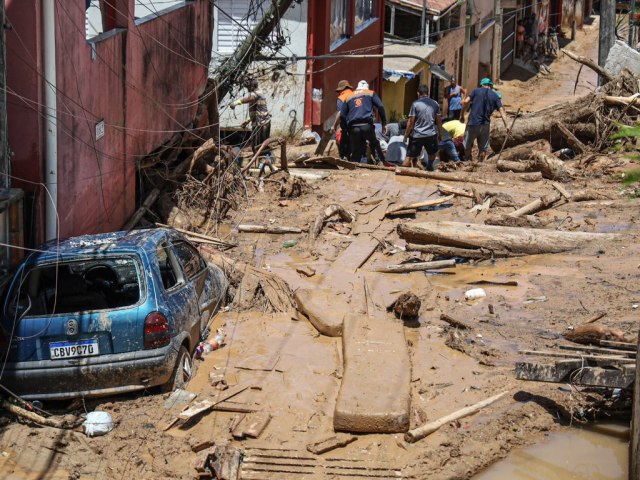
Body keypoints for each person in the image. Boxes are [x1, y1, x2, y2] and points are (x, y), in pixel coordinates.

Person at [460, 78, 510, 162]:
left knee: (467, 146)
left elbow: (465, 102)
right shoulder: (495, 96)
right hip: (485, 125)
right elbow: (502, 110)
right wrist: (507, 125)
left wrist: (461, 115)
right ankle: (480, 164)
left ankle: (468, 162)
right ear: (490, 86)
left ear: (482, 84)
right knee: (483, 148)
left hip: (472, 123)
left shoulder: (476, 91)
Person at [231, 78, 273, 174]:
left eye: (248, 87)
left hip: (263, 123)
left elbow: (250, 99)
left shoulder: (258, 93)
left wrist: (237, 102)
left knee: (262, 144)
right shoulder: (254, 94)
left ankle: (265, 161)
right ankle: (262, 161)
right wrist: (247, 121)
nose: (247, 89)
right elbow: (256, 110)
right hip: (257, 123)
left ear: (253, 86)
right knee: (254, 145)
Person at [340, 80, 387, 163]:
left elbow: (342, 115)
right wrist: (384, 123)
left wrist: (346, 129)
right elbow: (380, 106)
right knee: (374, 143)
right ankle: (380, 161)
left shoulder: (348, 96)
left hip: (354, 128)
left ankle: (354, 167)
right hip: (367, 126)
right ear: (367, 87)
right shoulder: (370, 93)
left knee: (356, 150)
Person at [402, 84, 443, 171]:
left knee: (409, 157)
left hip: (417, 135)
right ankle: (429, 169)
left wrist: (406, 136)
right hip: (431, 135)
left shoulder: (415, 104)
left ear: (418, 93)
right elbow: (439, 121)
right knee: (432, 154)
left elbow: (411, 122)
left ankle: (401, 173)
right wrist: (440, 134)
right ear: (427, 93)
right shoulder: (435, 104)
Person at [330, 80, 354, 159]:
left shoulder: (341, 98)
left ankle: (344, 157)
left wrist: (334, 126)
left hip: (348, 124)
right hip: (360, 122)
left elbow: (340, 113)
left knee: (344, 139)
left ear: (341, 90)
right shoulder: (355, 95)